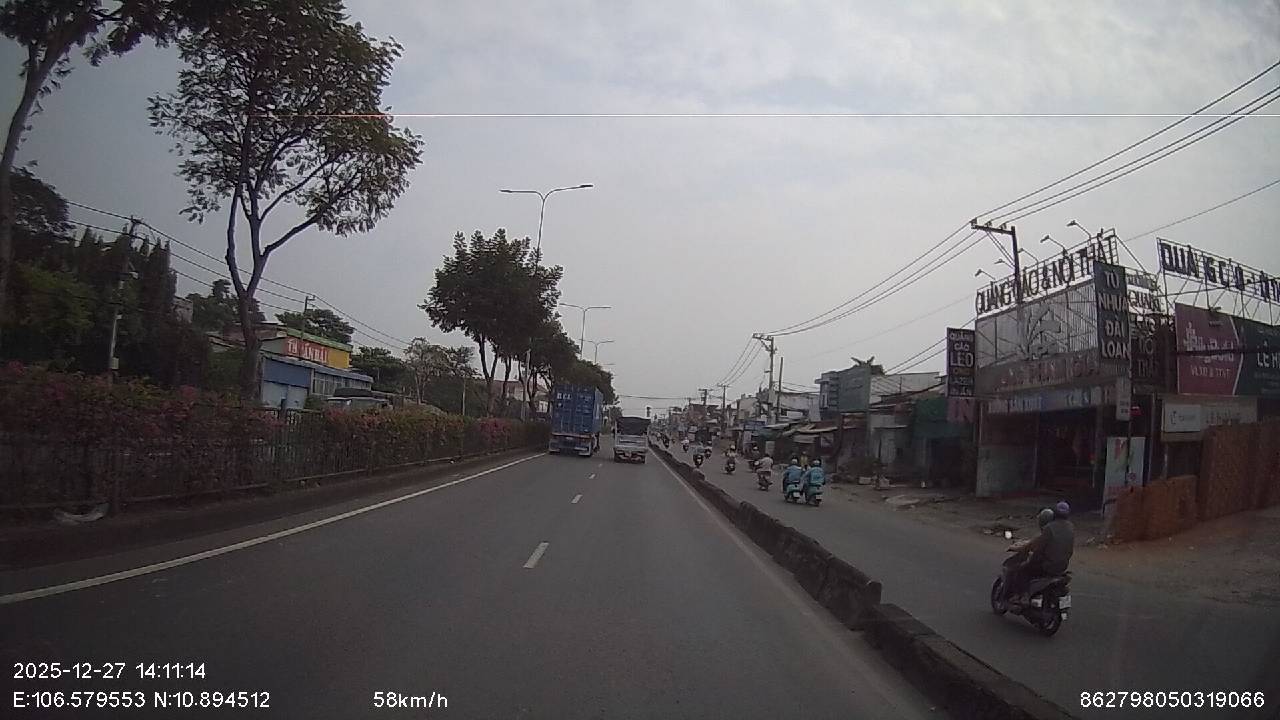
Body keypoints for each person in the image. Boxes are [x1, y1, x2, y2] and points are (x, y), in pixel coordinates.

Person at [1007, 502, 1075, 602]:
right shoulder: (1070, 527)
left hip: (1048, 566)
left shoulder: (1050, 528)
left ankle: (1023, 596)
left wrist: (1032, 560)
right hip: (1063, 566)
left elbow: (1039, 548)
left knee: (1022, 570)